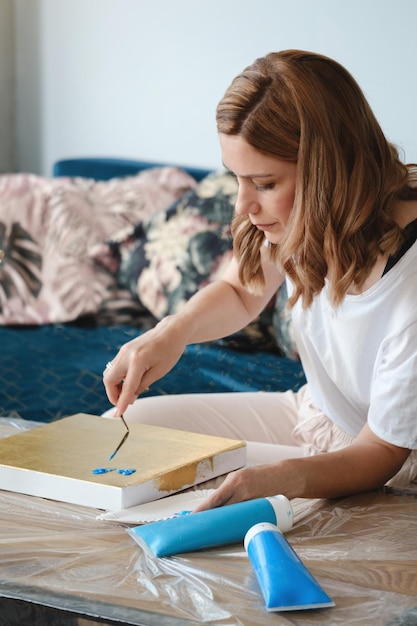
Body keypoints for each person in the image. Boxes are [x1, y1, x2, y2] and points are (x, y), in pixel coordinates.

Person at [103, 49, 417, 510]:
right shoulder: (303, 214)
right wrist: (173, 330)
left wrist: (276, 478)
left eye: (265, 184)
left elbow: (382, 453)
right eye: (237, 178)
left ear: (328, 172)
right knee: (121, 433)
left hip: (390, 459)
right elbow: (239, 291)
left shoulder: (409, 292)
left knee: (194, 487)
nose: (242, 206)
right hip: (316, 416)